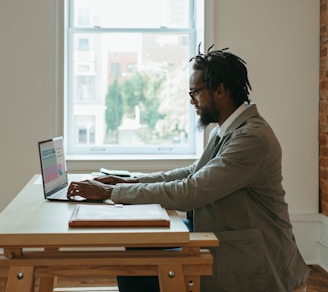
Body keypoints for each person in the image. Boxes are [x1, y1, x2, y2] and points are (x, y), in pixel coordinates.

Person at [67, 45, 309, 291]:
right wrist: (128, 183)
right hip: (224, 237)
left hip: (258, 261)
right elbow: (191, 173)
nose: (191, 100)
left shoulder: (251, 138)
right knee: (137, 251)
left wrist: (110, 194)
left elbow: (191, 191)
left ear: (220, 90)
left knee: (138, 266)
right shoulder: (226, 130)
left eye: (195, 92)